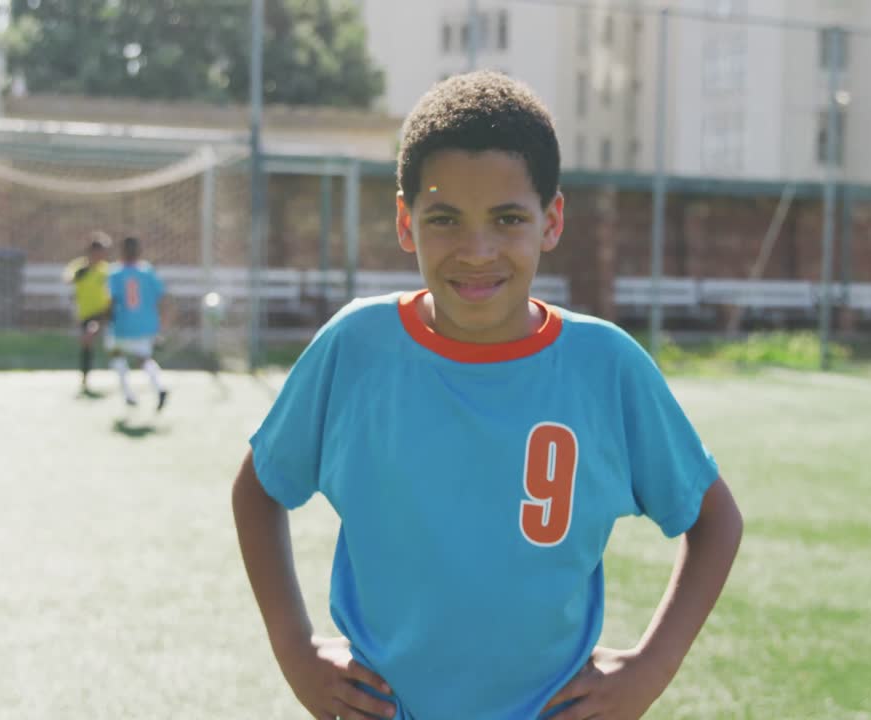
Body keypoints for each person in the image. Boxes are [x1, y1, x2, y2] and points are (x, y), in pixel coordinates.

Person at [231, 71, 743, 720]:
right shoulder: (356, 349)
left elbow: (714, 519)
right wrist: (295, 649)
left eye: (507, 219)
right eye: (445, 219)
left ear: (550, 220)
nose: (477, 251)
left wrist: (650, 669)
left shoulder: (606, 366)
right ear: (405, 221)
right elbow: (259, 488)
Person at [107, 236, 169, 410]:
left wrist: (105, 319)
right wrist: (162, 323)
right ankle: (160, 387)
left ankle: (127, 394)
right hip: (147, 324)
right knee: (144, 359)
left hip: (123, 324)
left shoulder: (115, 273)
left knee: (116, 355)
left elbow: (111, 300)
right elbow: (161, 296)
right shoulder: (147, 271)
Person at [61, 231, 112, 392]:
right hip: (85, 313)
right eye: (97, 253)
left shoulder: (107, 271)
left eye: (103, 253)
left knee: (89, 336)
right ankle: (85, 377)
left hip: (104, 312)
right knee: (87, 345)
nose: (100, 256)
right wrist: (80, 274)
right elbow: (68, 279)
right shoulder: (79, 268)